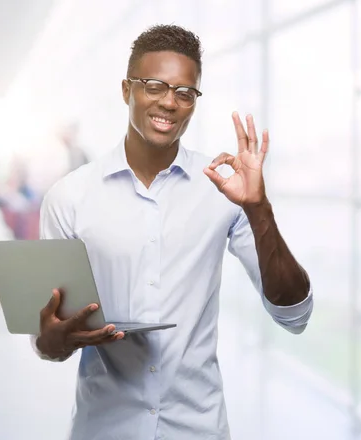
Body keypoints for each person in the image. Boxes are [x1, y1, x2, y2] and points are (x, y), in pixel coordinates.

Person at [31, 24, 314, 439]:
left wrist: (258, 208)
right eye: (154, 86)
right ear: (127, 90)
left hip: (197, 428)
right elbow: (47, 340)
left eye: (185, 92)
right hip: (104, 428)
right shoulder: (69, 197)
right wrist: (55, 341)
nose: (169, 102)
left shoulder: (222, 189)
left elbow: (294, 313)